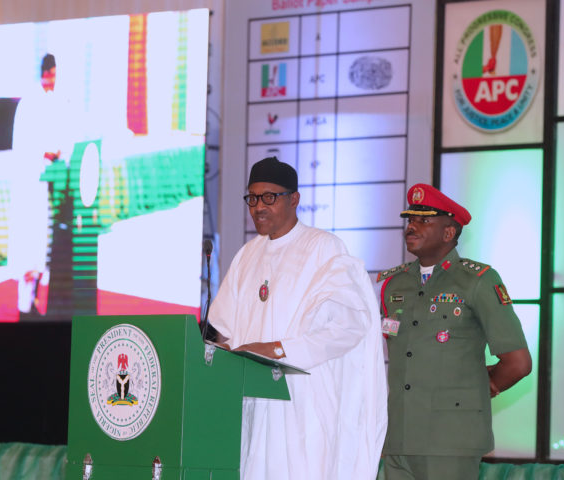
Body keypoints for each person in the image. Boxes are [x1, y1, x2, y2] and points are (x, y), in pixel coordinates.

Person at [208, 156, 387, 480]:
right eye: (252, 198)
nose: (258, 207)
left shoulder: (324, 248)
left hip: (303, 404)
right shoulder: (247, 254)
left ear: (294, 199)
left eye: (269, 197)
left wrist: (277, 349)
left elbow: (348, 327)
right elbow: (221, 330)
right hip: (252, 402)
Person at [379, 183, 532, 480]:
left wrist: (481, 388)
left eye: (424, 221)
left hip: (450, 439)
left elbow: (518, 363)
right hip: (399, 437)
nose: (412, 227)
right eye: (411, 220)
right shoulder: (393, 285)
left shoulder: (477, 281)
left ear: (449, 233)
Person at [10, 53, 71, 320]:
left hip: (47, 182)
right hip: (29, 184)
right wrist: (45, 153)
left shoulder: (54, 102)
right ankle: (24, 305)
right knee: (28, 244)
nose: (53, 81)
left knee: (41, 246)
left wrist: (58, 153)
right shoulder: (28, 104)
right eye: (51, 75)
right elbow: (24, 145)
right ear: (44, 74)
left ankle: (33, 301)